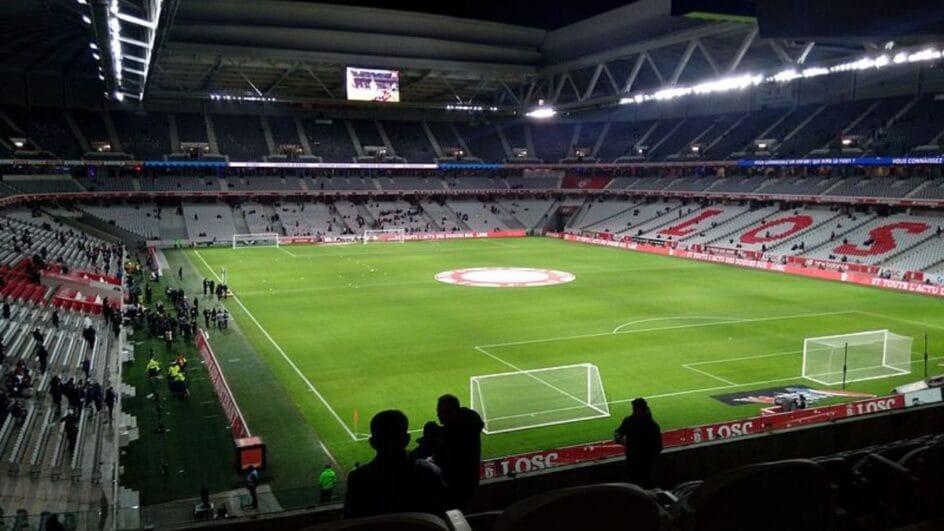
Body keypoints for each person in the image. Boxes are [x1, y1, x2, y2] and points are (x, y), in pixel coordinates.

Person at [343, 410, 447, 519]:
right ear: (407, 439)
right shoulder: (428, 472)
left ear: (372, 442)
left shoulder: (358, 479)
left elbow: (350, 519)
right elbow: (441, 512)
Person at [435, 394, 483, 511]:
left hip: (455, 485)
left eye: (440, 411)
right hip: (471, 481)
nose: (438, 415)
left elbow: (445, 459)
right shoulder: (469, 424)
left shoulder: (452, 435)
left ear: (451, 412)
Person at [614, 398, 662, 488]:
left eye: (635, 409)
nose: (634, 411)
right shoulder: (652, 425)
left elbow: (617, 434)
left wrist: (624, 442)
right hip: (646, 463)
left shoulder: (629, 421)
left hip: (635, 462)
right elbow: (659, 447)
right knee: (647, 485)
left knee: (634, 486)